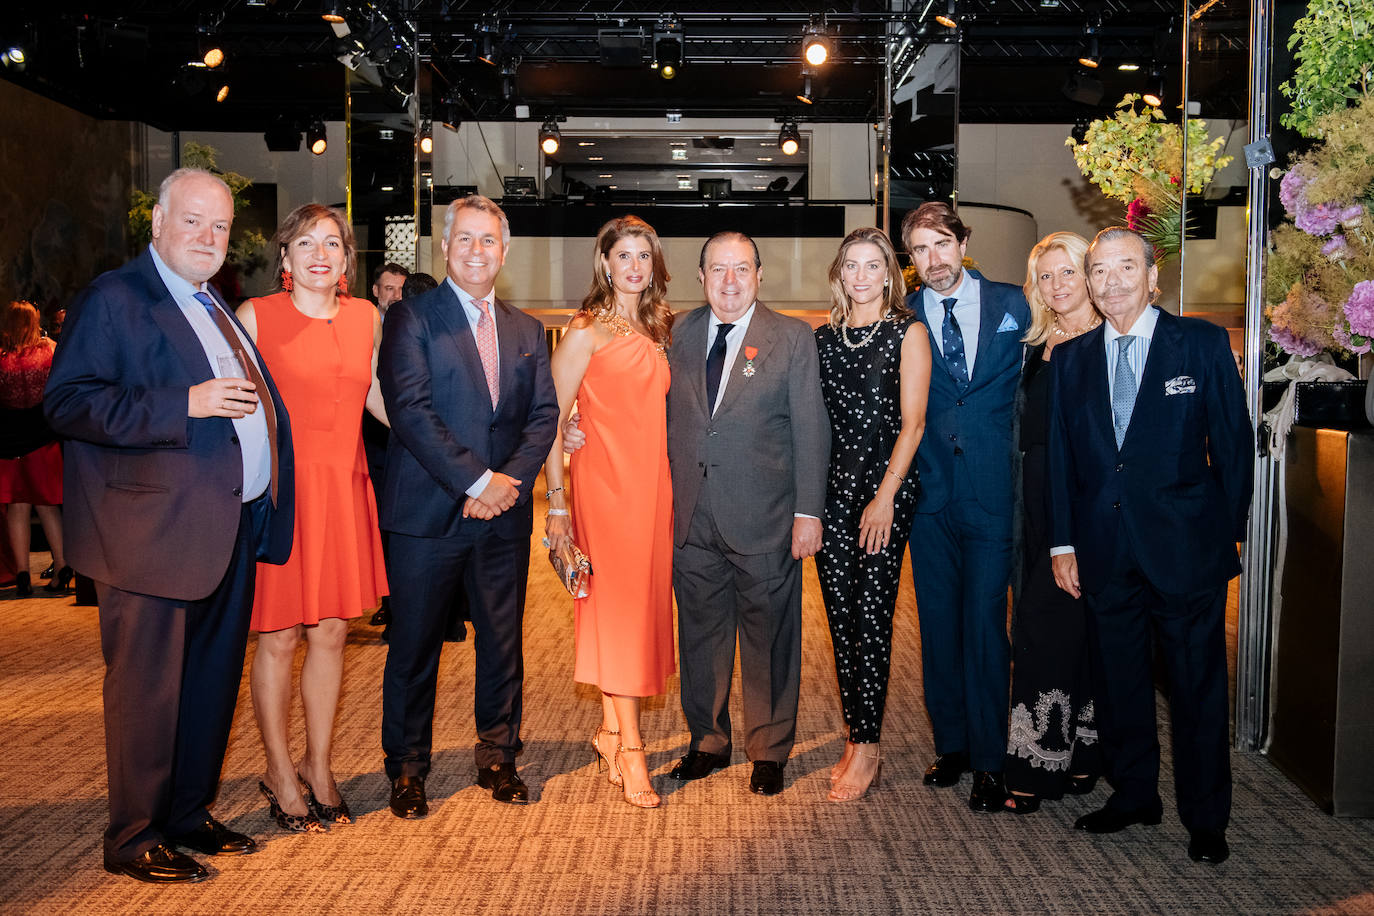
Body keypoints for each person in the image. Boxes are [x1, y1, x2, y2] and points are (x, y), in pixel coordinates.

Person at [44, 167, 295, 883]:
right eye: (193, 221)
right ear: (157, 223)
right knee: (148, 691)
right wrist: (181, 404)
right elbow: (68, 403)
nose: (208, 238)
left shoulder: (212, 303)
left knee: (210, 686)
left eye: (219, 227)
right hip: (149, 537)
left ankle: (186, 813)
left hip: (224, 529)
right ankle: (132, 836)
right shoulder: (118, 298)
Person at [1047, 226, 1251, 865]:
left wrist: (1223, 535)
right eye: (1099, 270)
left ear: (1152, 275)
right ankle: (1135, 794)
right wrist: (1062, 544)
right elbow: (1060, 459)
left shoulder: (1201, 344)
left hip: (1185, 552)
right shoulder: (1073, 360)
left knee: (1196, 688)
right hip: (1105, 550)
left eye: (1124, 267)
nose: (1110, 282)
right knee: (1119, 682)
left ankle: (1206, 816)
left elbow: (1236, 451)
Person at [378, 195, 557, 815]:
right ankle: (406, 768)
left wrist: (505, 483)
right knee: (415, 645)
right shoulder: (412, 318)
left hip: (503, 516)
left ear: (503, 252)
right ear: (445, 248)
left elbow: (543, 417)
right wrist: (477, 481)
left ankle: (499, 756)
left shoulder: (528, 329)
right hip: (427, 515)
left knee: (502, 643)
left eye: (489, 241)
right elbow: (411, 412)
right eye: (465, 240)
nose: (477, 251)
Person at [234, 204, 389, 833]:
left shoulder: (365, 317)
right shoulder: (255, 317)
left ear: (348, 260)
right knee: (278, 637)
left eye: (333, 243)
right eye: (306, 243)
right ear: (287, 258)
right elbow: (241, 413)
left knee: (330, 634)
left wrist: (452, 449)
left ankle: (319, 766)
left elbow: (376, 396)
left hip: (345, 491)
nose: (320, 253)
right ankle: (276, 767)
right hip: (283, 497)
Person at [662, 231, 829, 796]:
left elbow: (811, 430)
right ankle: (707, 741)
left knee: (769, 639)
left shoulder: (791, 337)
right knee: (701, 636)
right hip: (692, 520)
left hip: (766, 517)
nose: (728, 282)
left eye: (740, 269)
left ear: (760, 274)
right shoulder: (676, 333)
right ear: (701, 276)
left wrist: (809, 512)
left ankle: (769, 748)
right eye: (717, 270)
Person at [900, 202, 1030, 812]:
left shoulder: (1016, 306)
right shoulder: (905, 316)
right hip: (929, 500)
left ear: (962, 243)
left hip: (993, 497)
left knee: (985, 630)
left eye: (941, 245)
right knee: (938, 630)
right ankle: (951, 745)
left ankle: (990, 761)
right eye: (920, 251)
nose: (933, 261)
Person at [543, 215, 676, 809]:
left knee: (632, 610)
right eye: (623, 255)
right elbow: (549, 420)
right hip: (606, 489)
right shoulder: (585, 331)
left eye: (643, 256)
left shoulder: (658, 324)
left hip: (653, 490)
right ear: (605, 263)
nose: (634, 266)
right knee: (620, 613)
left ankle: (608, 731)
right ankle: (632, 753)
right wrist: (558, 505)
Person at [813, 228, 931, 802]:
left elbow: (913, 425)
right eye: (851, 266)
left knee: (872, 616)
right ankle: (855, 735)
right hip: (832, 493)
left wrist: (884, 497)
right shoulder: (825, 338)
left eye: (872, 266)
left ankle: (869, 745)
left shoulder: (907, 332)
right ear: (840, 274)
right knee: (840, 620)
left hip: (884, 491)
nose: (860, 276)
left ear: (890, 274)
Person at [1002, 232, 1104, 814]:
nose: (1057, 286)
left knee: (1062, 628)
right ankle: (1075, 756)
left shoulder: (1109, 342)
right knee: (1049, 624)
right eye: (1045, 276)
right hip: (1034, 499)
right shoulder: (1035, 344)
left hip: (1088, 503)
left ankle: (1040, 767)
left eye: (1067, 272)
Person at [1, 300, 70, 596]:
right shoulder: (50, 351)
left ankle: (22, 574)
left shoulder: (1, 357)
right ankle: (63, 563)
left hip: (9, 439)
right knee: (47, 505)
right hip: (44, 435)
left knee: (17, 506)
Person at [363, 263, 410, 629]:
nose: (395, 295)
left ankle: (393, 605)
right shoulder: (361, 325)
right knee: (373, 529)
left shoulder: (408, 326)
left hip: (399, 442)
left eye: (400, 289)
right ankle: (383, 599)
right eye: (388, 289)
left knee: (394, 528)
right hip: (365, 442)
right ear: (376, 291)